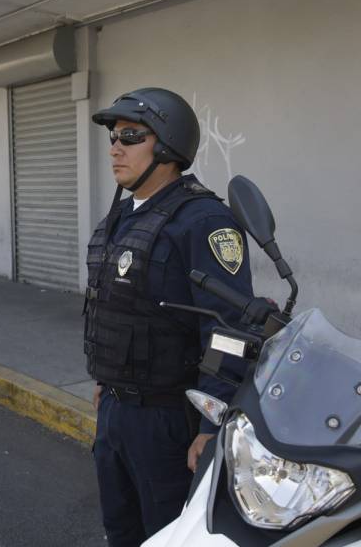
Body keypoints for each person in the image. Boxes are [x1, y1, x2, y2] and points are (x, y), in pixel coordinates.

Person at [84, 88, 254, 546]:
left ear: (168, 146)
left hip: (169, 419)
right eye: (114, 137)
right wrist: (106, 381)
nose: (116, 147)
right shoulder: (121, 215)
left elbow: (229, 330)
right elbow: (115, 306)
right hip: (116, 409)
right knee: (121, 529)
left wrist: (211, 425)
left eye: (131, 136)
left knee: (169, 535)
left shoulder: (203, 221)